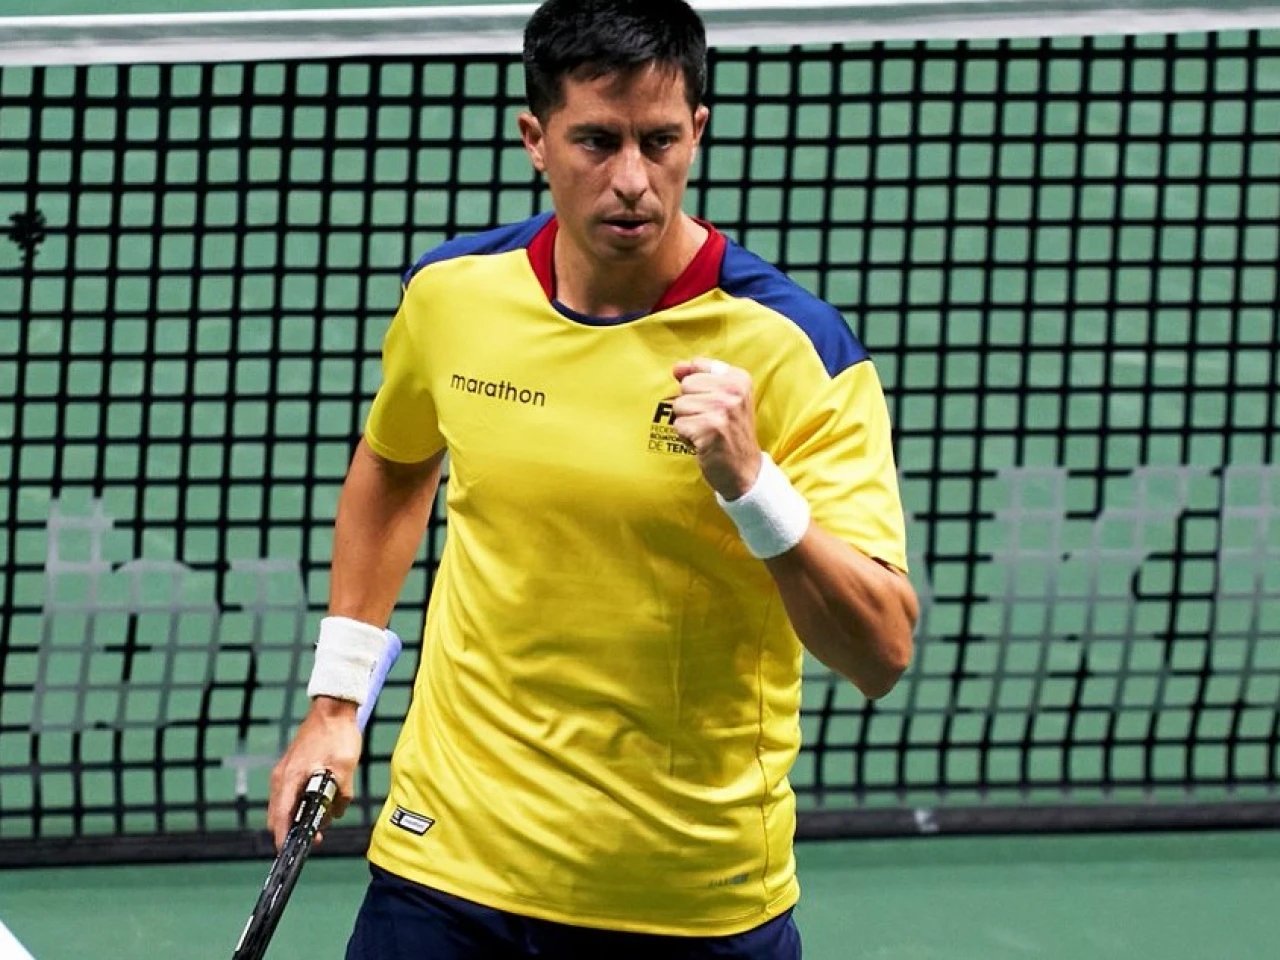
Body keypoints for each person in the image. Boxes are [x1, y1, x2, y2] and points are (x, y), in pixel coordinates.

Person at [268, 0, 918, 956]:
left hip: (687, 893)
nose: (632, 181)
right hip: (447, 861)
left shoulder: (796, 350)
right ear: (536, 138)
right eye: (597, 141)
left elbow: (881, 652)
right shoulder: (452, 295)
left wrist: (754, 488)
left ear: (697, 129)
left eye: (660, 141)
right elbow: (396, 464)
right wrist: (335, 704)